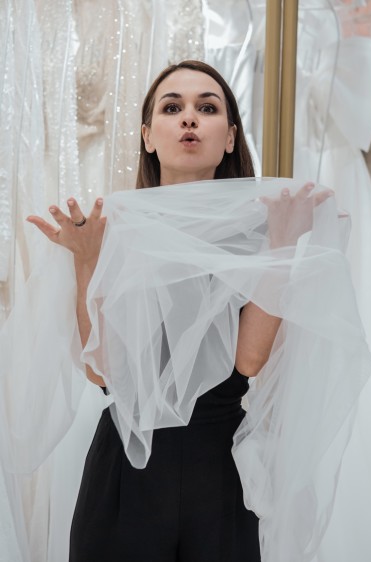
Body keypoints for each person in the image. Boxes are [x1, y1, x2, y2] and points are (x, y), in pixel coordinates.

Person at [27, 60, 329, 561]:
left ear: (230, 138)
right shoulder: (107, 228)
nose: (189, 117)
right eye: (172, 107)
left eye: (207, 108)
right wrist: (87, 261)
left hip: (221, 467)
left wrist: (281, 245)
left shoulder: (264, 228)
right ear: (148, 136)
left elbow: (248, 361)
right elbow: (102, 371)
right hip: (126, 471)